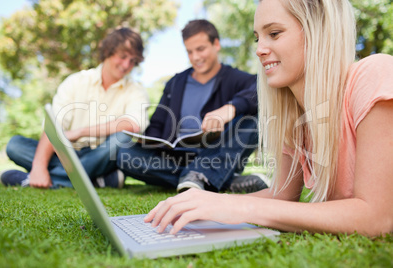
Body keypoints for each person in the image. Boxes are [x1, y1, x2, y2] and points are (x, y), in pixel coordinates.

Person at [144, 0, 393, 237]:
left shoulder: (374, 74)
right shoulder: (295, 118)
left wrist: (240, 209)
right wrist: (211, 203)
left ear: (317, 30)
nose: (259, 50)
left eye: (274, 33)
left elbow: (376, 217)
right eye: (257, 38)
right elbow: (281, 196)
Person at [116, 19, 268, 193]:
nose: (195, 57)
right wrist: (148, 141)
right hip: (174, 157)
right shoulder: (175, 83)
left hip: (218, 154)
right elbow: (158, 124)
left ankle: (202, 175)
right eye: (189, 51)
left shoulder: (234, 78)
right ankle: (215, 179)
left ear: (216, 44)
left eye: (200, 49)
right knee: (125, 155)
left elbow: (261, 88)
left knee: (254, 119)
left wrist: (230, 108)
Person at [0, 27, 150, 189]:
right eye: (123, 57)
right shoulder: (76, 81)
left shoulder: (136, 90)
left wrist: (80, 132)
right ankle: (97, 181)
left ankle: (32, 180)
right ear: (108, 51)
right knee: (15, 145)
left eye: (133, 61)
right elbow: (53, 126)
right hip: (66, 154)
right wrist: (39, 167)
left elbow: (133, 124)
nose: (127, 65)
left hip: (102, 156)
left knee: (122, 139)